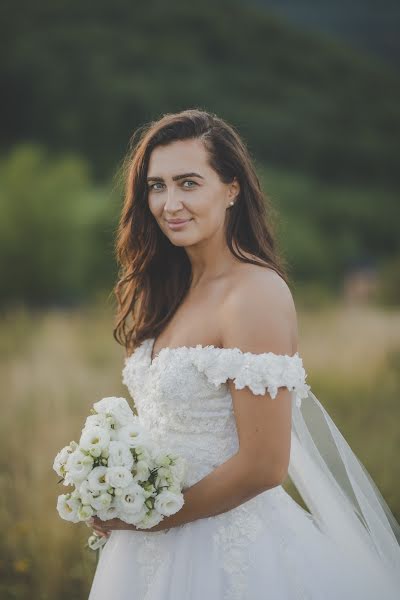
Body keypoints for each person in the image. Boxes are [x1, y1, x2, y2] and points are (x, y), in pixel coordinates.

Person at [87, 108, 400, 599]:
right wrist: (111, 483)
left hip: (226, 551)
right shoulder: (167, 291)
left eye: (189, 183)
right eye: (157, 185)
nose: (170, 203)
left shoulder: (254, 294)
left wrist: (147, 517)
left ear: (231, 189)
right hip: (146, 550)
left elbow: (264, 464)